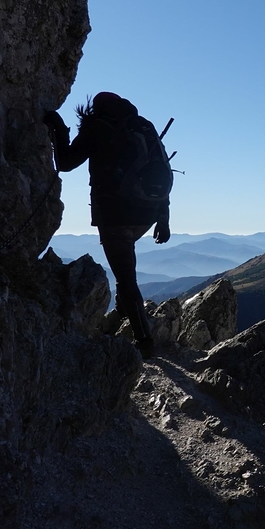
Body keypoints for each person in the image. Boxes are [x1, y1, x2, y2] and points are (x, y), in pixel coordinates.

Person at [44, 92, 171, 359]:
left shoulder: (98, 127)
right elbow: (159, 168)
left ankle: (144, 342)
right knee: (124, 269)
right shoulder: (142, 127)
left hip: (115, 215)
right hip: (147, 214)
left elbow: (65, 163)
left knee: (126, 278)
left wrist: (58, 128)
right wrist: (163, 219)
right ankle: (122, 315)